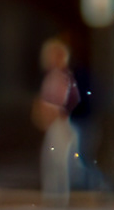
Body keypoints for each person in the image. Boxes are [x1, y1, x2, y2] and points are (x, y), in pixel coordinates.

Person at [34, 36, 101, 200]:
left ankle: (68, 194)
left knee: (68, 164)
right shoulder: (52, 77)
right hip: (55, 126)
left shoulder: (66, 77)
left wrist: (53, 111)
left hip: (65, 125)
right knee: (53, 161)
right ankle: (53, 196)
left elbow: (67, 102)